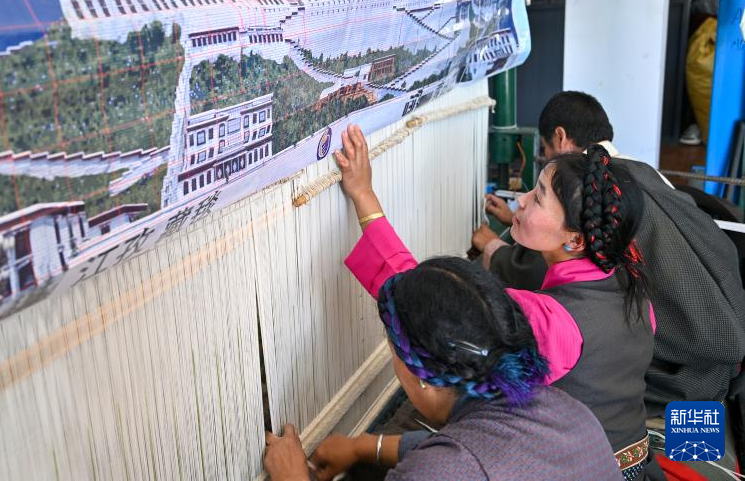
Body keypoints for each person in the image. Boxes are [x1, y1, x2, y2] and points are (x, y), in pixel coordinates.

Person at [328, 123, 661, 478]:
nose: (522, 200)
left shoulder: (550, 321)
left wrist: (364, 196)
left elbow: (425, 306)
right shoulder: (631, 290)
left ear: (576, 240)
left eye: (539, 197)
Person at [473, 91, 745, 417]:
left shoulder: (595, 202)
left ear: (560, 137)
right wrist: (518, 218)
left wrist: (492, 246)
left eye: (544, 150)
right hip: (713, 366)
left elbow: (539, 266)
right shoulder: (638, 172)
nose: (523, 199)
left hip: (676, 381)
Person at [262, 256, 619, 481]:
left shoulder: (436, 472)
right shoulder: (570, 412)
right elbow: (479, 450)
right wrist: (366, 446)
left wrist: (292, 477)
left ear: (421, 376)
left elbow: (460, 464)